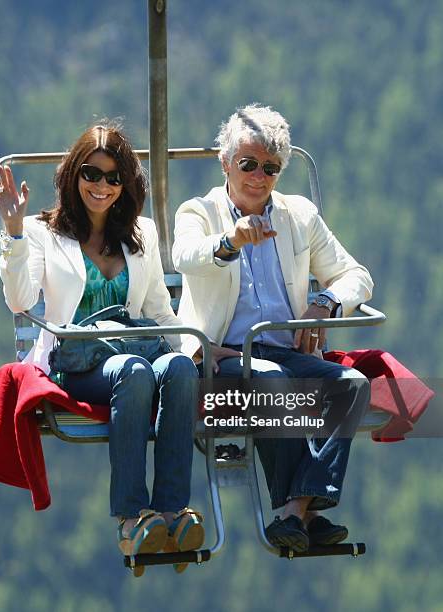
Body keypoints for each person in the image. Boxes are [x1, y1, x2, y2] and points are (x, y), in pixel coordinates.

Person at [0, 122, 203, 575]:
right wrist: (13, 232)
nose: (101, 186)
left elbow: (159, 309)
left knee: (179, 368)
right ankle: (130, 517)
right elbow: (21, 301)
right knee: (134, 372)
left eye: (112, 177)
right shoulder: (44, 231)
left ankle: (170, 513)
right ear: (72, 176)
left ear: (126, 184)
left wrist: (193, 350)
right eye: (91, 174)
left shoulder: (140, 233)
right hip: (77, 359)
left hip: (132, 347)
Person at [172, 103, 373, 552]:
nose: (258, 177)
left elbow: (356, 276)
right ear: (226, 163)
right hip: (223, 356)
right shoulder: (199, 211)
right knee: (272, 383)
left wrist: (325, 303)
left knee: (352, 384)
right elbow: (184, 255)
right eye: (247, 164)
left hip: (285, 352)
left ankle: (295, 511)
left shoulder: (297, 215)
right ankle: (304, 512)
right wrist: (230, 241)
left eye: (270, 167)